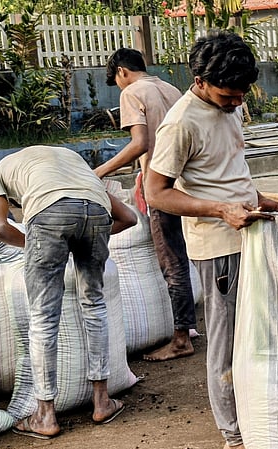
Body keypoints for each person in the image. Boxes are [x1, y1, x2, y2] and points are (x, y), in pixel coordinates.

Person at [144, 30, 278, 449]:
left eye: (241, 95)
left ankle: (256, 417)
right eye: (228, 95)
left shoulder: (230, 106)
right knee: (225, 343)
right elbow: (156, 194)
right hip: (219, 248)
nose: (236, 102)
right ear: (199, 80)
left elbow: (225, 168)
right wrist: (220, 209)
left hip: (249, 233)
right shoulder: (181, 123)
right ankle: (233, 438)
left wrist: (256, 198)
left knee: (257, 334)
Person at [0, 145, 138, 439]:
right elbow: (129, 218)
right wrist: (86, 238)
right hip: (96, 211)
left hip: (49, 214)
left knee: (43, 317)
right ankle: (102, 402)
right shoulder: (74, 164)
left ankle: (44, 415)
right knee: (94, 305)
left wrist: (36, 245)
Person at [100, 47, 199, 362]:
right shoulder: (170, 88)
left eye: (117, 80)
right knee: (185, 253)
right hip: (186, 182)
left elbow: (140, 143)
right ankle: (189, 325)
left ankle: (181, 338)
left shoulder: (132, 92)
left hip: (161, 186)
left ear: (121, 72)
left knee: (171, 259)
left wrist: (99, 172)